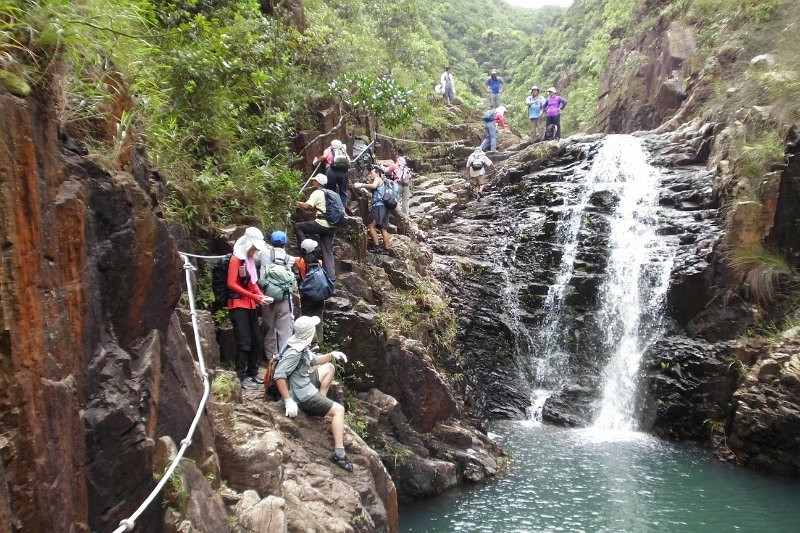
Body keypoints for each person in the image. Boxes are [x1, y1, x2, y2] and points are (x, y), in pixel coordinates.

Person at [273, 315, 353, 472]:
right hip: (302, 395)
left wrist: (332, 355)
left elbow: (313, 361)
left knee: (329, 368)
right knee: (339, 411)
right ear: (309, 332)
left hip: (304, 383)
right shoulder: (294, 352)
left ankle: (321, 403)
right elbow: (279, 375)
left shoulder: (298, 343)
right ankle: (339, 454)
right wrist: (288, 400)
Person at [228, 227, 273, 390]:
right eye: (253, 247)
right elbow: (231, 284)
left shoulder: (249, 261)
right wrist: (255, 296)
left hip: (251, 304)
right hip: (238, 305)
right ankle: (241, 375)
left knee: (256, 339)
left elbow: (252, 282)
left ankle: (253, 372)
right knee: (244, 341)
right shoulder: (236, 260)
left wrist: (260, 295)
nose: (255, 250)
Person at [259, 230, 296, 362]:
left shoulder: (263, 254)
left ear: (271, 241)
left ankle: (271, 360)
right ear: (285, 243)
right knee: (285, 331)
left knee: (269, 329)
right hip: (285, 298)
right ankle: (285, 360)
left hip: (267, 298)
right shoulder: (290, 259)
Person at [295, 174, 337, 282]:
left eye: (314, 181)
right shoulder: (331, 194)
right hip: (332, 226)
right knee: (328, 252)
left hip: (322, 223)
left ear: (318, 183)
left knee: (299, 227)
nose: (313, 182)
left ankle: (307, 250)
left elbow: (308, 206)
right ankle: (331, 279)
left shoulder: (317, 192)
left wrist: (295, 202)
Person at [353, 166, 396, 257]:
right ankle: (386, 249)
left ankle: (377, 247)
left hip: (378, 206)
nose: (370, 175)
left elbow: (373, 186)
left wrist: (361, 185)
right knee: (383, 228)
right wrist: (365, 190)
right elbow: (373, 193)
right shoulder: (382, 183)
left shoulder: (377, 179)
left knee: (371, 226)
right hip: (385, 206)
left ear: (377, 173)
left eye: (371, 173)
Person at [294, 238, 324, 345]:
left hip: (306, 295)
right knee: (318, 319)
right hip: (319, 294)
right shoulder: (319, 262)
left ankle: (313, 342)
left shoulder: (299, 261)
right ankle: (320, 344)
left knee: (307, 319)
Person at [313, 139, 349, 207]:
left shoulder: (329, 149)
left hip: (331, 171)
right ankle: (343, 210)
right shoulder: (343, 149)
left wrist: (316, 162)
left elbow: (324, 157)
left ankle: (332, 208)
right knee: (343, 192)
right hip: (343, 172)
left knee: (331, 192)